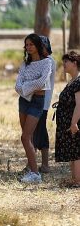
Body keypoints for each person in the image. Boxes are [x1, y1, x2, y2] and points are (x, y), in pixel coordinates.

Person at [15, 33, 51, 183]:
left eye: (31, 44)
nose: (28, 47)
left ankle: (36, 173)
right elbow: (17, 86)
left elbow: (42, 82)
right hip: (23, 101)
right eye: (26, 45)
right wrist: (30, 87)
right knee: (26, 138)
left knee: (25, 136)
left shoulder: (47, 63)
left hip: (37, 102)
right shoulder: (25, 64)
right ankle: (31, 169)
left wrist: (26, 86)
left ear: (37, 46)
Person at [55, 51, 80, 188]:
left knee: (76, 151)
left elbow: (79, 105)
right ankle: (75, 179)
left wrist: (74, 122)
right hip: (68, 123)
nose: (63, 64)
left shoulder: (79, 82)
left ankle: (78, 181)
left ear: (75, 63)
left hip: (74, 123)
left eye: (66, 62)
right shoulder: (72, 81)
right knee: (72, 151)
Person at [32, 36, 56, 173]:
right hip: (34, 101)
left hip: (43, 102)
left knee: (39, 131)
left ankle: (44, 165)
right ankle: (35, 164)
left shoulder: (49, 62)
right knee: (34, 132)